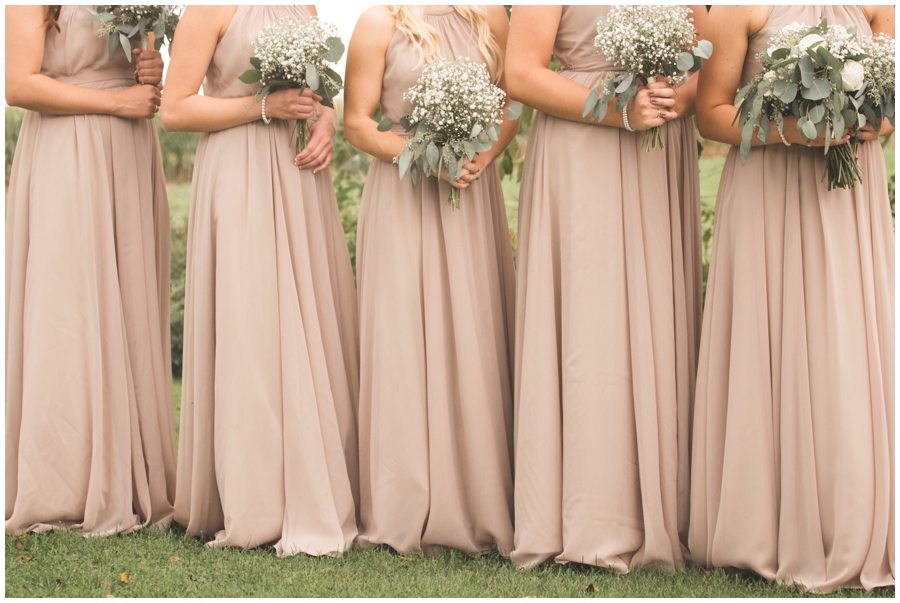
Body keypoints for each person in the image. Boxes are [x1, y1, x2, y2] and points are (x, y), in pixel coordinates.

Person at [689, 5, 894, 592]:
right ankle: (763, 528)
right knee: (768, 339)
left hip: (848, 193)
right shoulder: (738, 9)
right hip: (770, 191)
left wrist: (864, 122)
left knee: (845, 345)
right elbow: (711, 114)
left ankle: (851, 518)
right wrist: (795, 129)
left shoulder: (878, 7)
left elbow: (890, 107)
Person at [506, 5, 706, 571]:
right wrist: (619, 110)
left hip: (661, 148)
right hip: (583, 144)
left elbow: (705, 61)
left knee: (656, 319)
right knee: (591, 327)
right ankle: (590, 515)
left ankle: (668, 511)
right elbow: (520, 73)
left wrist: (677, 98)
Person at [160, 5, 360, 556]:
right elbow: (174, 110)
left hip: (297, 176)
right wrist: (263, 106)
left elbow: (317, 94)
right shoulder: (208, 9)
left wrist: (325, 119)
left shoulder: (305, 7)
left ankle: (314, 480)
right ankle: (255, 497)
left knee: (305, 324)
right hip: (238, 169)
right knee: (250, 327)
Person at [343, 5, 519, 555]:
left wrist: (480, 159)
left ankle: (481, 498)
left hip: (470, 193)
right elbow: (356, 124)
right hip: (404, 194)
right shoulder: (379, 23)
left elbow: (511, 104)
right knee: (403, 341)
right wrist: (426, 157)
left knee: (474, 335)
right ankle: (403, 503)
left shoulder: (491, 16)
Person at [6, 5, 175, 535]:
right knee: (66, 307)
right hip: (66, 150)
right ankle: (60, 482)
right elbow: (18, 84)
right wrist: (116, 99)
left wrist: (152, 69)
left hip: (127, 151)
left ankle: (128, 474)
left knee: (126, 307)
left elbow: (143, 73)